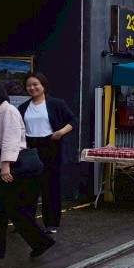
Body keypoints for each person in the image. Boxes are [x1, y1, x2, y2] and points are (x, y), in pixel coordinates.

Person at [0, 80, 54, 261]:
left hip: (13, 167)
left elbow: (11, 139)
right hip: (8, 166)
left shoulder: (8, 111)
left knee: (13, 209)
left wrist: (5, 166)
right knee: (1, 210)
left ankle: (40, 242)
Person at [21, 71, 78, 235]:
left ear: (43, 86)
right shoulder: (23, 107)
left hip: (51, 145)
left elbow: (73, 120)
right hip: (30, 147)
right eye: (28, 85)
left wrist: (61, 132)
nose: (32, 88)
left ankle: (51, 223)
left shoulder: (56, 103)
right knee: (29, 186)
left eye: (35, 84)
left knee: (50, 185)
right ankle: (27, 222)